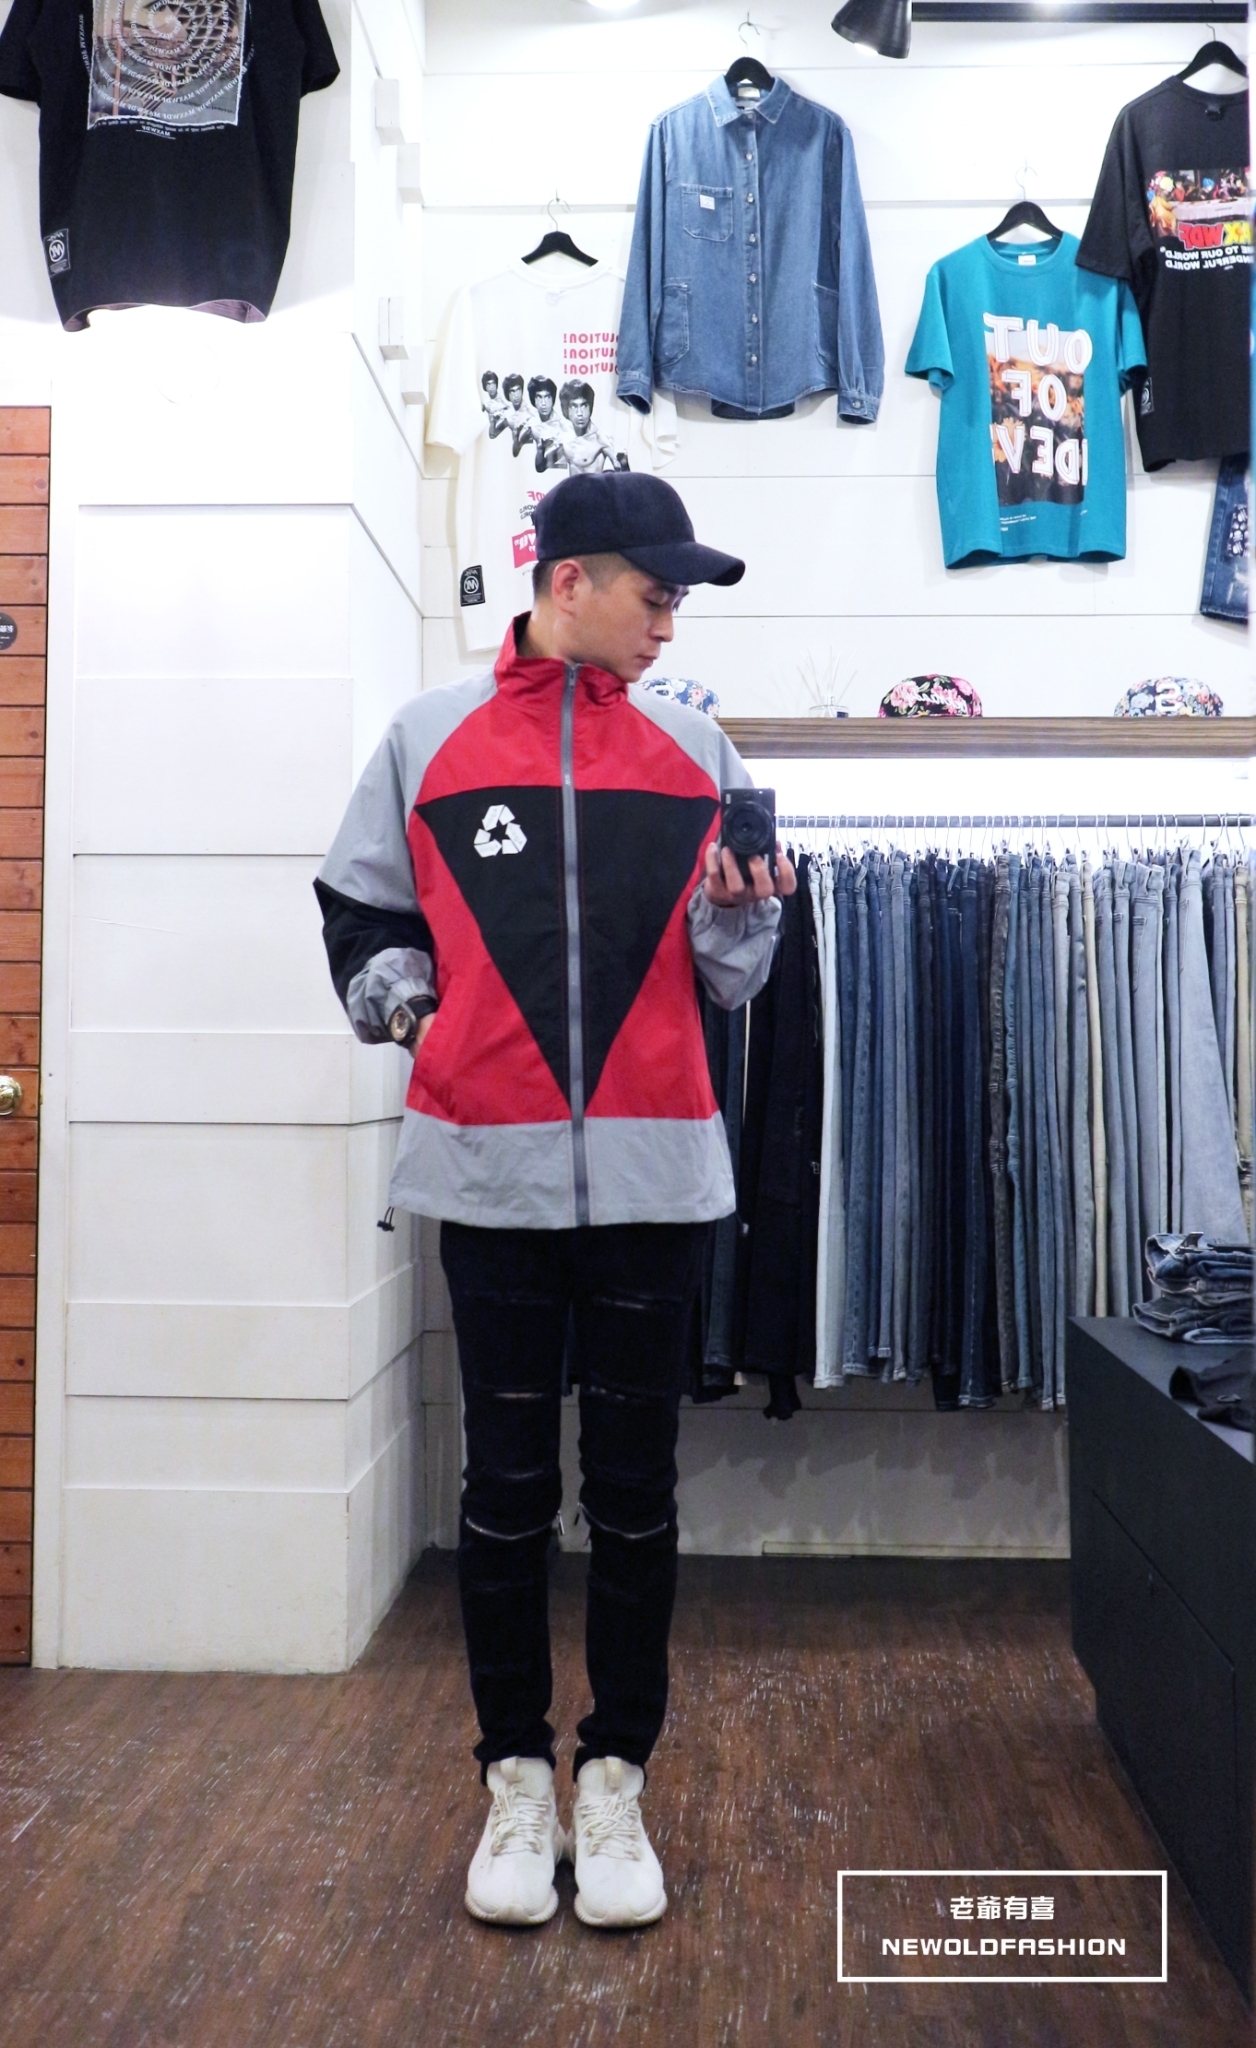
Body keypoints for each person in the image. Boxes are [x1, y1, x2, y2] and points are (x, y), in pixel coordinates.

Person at [314, 470, 793, 1933]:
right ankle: (516, 1776)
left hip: (656, 1177)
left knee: (636, 1497)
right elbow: (361, 910)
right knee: (507, 1494)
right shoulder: (427, 739)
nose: (671, 624)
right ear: (567, 580)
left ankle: (617, 1778)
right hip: (490, 1171)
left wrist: (742, 913)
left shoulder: (696, 749)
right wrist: (418, 1019)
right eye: (656, 594)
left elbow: (731, 982)